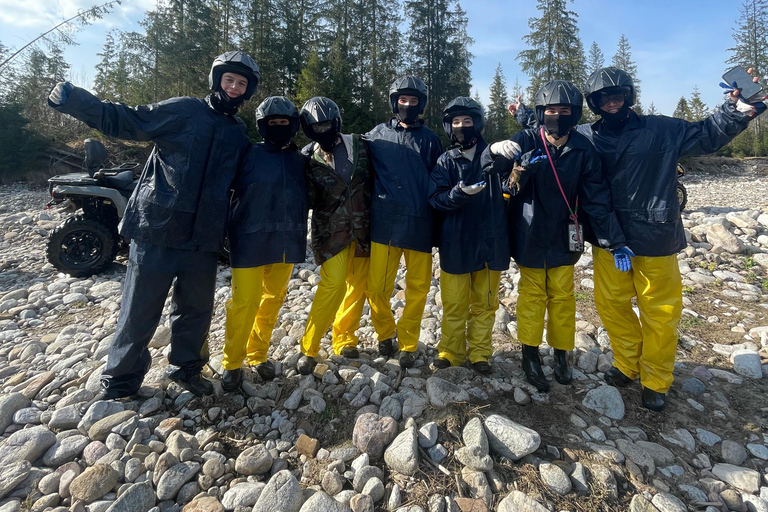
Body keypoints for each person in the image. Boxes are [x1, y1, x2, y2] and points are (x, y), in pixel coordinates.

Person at [511, 67, 765, 410]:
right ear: (593, 103)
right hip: (606, 240)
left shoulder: (662, 129)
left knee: (660, 313)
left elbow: (706, 134)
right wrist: (524, 114)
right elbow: (546, 131)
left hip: (655, 237)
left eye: (618, 96)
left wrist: (737, 111)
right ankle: (627, 364)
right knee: (611, 308)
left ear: (629, 96)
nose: (612, 103)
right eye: (603, 98)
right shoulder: (584, 134)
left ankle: (656, 379)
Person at [48, 51, 260, 399]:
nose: (234, 87)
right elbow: (128, 119)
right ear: (216, 80)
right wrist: (76, 101)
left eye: (241, 83)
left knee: (196, 309)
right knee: (140, 309)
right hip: (156, 227)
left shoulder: (238, 133)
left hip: (203, 237)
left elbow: (245, 183)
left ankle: (186, 369)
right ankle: (120, 380)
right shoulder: (185, 110)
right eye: (229, 80)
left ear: (247, 91)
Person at [484, 80, 629, 393]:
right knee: (532, 295)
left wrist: (613, 240)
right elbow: (493, 176)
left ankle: (561, 353)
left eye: (565, 110)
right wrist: (505, 161)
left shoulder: (583, 148)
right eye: (551, 110)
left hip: (566, 233)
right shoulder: (524, 139)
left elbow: (597, 198)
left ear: (574, 114)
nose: (558, 116)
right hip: (529, 232)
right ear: (541, 113)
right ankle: (530, 353)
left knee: (563, 296)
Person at [335, 76, 443, 368]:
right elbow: (347, 151)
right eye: (402, 100)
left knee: (418, 289)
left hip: (420, 224)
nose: (407, 105)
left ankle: (408, 343)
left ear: (421, 104)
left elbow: (439, 180)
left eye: (413, 101)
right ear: (394, 102)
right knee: (377, 288)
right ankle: (385, 333)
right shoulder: (377, 134)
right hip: (384, 225)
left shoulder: (431, 139)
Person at [221, 96, 308, 391]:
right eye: (273, 123)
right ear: (262, 126)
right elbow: (222, 190)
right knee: (244, 301)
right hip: (247, 239)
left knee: (273, 300)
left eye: (284, 123)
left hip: (286, 239)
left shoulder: (300, 161)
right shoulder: (247, 154)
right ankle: (232, 362)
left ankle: (258, 354)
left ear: (294, 125)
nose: (279, 127)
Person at [427, 97, 509, 373]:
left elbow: (514, 184)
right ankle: (450, 351)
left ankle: (480, 353)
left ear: (479, 123)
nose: (462, 126)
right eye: (456, 122)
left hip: (489, 241)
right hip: (455, 242)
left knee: (485, 304)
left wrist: (514, 170)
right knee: (454, 304)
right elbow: (435, 199)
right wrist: (457, 194)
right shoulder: (445, 160)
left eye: (468, 121)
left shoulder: (495, 156)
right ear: (449, 127)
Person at [297, 97, 373, 375]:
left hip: (364, 228)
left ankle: (345, 338)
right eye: (315, 127)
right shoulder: (306, 158)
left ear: (337, 121)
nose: (322, 130)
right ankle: (309, 347)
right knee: (333, 285)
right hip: (330, 234)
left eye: (327, 124)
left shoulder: (362, 146)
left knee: (358, 287)